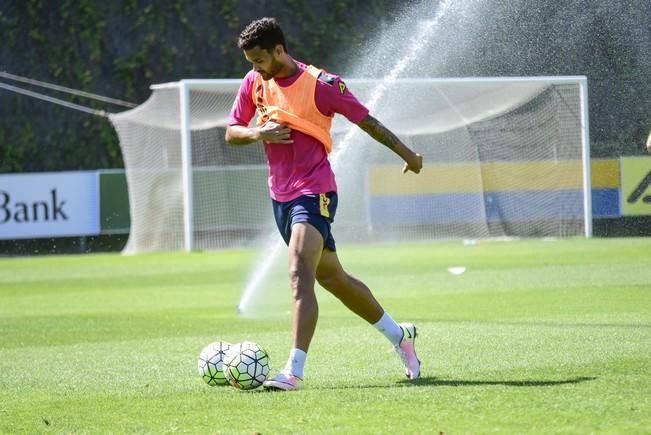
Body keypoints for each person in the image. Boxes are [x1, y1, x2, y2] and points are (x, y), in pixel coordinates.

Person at [225, 17, 423, 391]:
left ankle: (293, 371)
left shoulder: (321, 85)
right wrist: (258, 132)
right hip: (280, 197)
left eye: (259, 60)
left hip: (314, 191)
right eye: (250, 62)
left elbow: (368, 121)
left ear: (279, 50)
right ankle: (399, 335)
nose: (255, 69)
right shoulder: (254, 83)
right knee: (333, 278)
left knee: (299, 272)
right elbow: (232, 130)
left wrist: (409, 155)